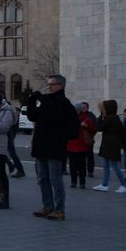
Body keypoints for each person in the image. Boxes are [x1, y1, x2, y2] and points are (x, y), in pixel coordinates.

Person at [28, 74, 79, 221]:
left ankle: (59, 209)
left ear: (60, 86)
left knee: (55, 179)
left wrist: (61, 137)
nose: (49, 86)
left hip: (55, 147)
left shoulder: (64, 103)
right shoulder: (45, 101)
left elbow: (60, 120)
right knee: (42, 178)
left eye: (52, 84)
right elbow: (33, 116)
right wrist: (32, 100)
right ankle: (47, 205)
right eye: (48, 84)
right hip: (41, 145)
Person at [92, 100, 126, 193]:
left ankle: (124, 185)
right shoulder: (114, 117)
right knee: (106, 165)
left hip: (111, 145)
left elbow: (99, 127)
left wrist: (101, 115)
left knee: (114, 166)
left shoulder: (110, 118)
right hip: (109, 144)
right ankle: (104, 185)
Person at [66, 101, 95, 189]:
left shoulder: (86, 118)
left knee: (81, 166)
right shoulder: (69, 119)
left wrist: (86, 127)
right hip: (71, 146)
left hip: (82, 146)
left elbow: (93, 130)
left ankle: (82, 182)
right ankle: (73, 181)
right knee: (72, 165)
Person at [80, 102, 97, 178]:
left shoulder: (91, 116)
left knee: (89, 155)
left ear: (87, 107)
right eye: (82, 107)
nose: (83, 108)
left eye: (84, 107)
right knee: (81, 156)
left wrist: (87, 127)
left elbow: (94, 127)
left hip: (88, 139)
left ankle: (90, 171)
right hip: (80, 139)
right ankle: (80, 170)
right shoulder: (78, 115)